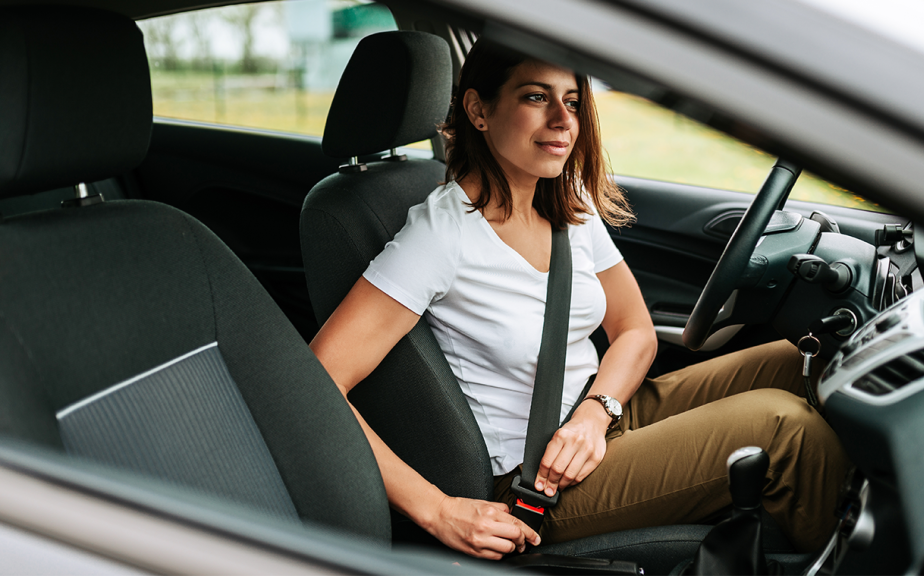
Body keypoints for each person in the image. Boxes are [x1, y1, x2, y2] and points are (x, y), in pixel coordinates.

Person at [310, 39, 850, 560]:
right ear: (478, 109)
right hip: (537, 476)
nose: (563, 121)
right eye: (535, 97)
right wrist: (437, 509)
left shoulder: (569, 202)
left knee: (804, 358)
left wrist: (596, 412)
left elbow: (634, 328)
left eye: (571, 101)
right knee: (784, 429)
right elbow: (317, 381)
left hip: (599, 414)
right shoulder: (441, 234)